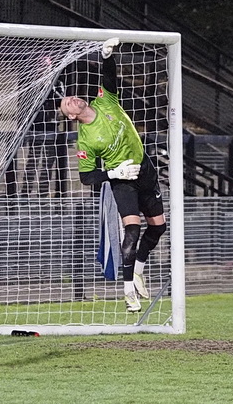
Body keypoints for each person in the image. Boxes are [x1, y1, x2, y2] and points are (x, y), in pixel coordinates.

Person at [59, 38, 166, 313]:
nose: (71, 99)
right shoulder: (85, 140)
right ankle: (128, 289)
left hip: (145, 169)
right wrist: (113, 172)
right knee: (132, 229)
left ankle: (139, 268)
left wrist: (107, 56)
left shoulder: (105, 102)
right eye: (67, 104)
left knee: (158, 228)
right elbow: (86, 177)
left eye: (71, 97)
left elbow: (110, 78)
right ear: (71, 117)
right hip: (122, 180)